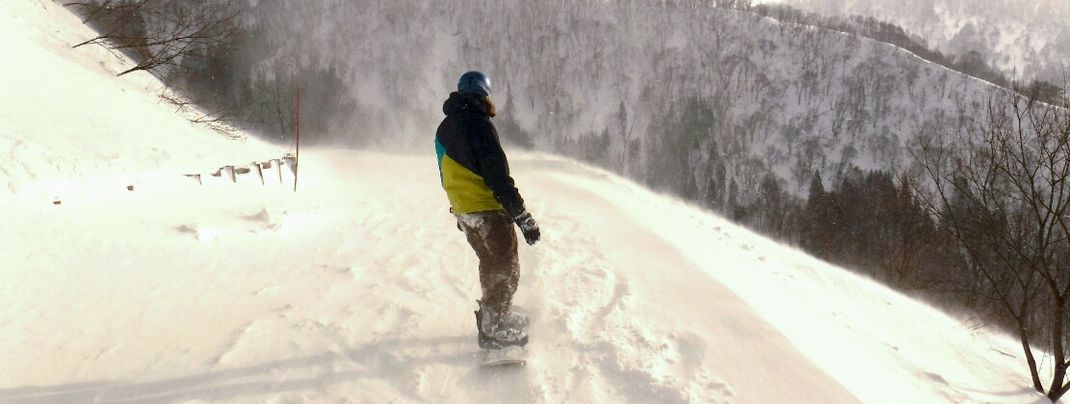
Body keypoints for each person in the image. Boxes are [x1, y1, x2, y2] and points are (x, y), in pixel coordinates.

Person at [434, 71, 541, 349]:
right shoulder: (479, 125)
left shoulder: (445, 128)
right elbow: (498, 177)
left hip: (465, 212)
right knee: (507, 269)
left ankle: (492, 314)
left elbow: (445, 173)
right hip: (488, 211)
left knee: (491, 264)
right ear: (485, 96)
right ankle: (494, 329)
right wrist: (522, 216)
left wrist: (460, 209)